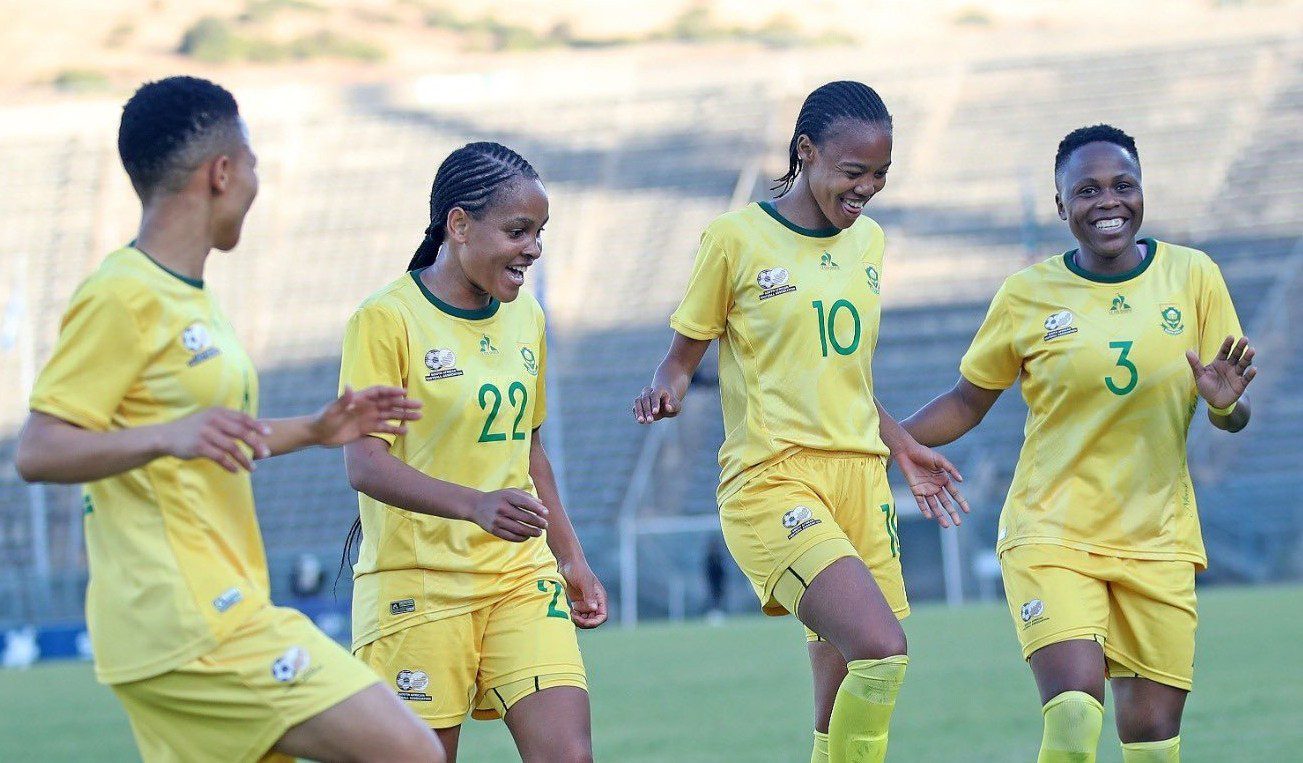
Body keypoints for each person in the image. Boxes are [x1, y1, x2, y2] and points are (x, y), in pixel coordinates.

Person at [14, 76, 443, 763]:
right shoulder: (123, 292)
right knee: (410, 753)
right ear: (221, 173)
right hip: (191, 620)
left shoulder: (196, 300)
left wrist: (312, 429)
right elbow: (38, 449)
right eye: (252, 166)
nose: (254, 183)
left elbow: (210, 435)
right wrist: (166, 434)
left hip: (203, 613)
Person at [632, 81, 968, 763]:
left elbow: (840, 379)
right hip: (771, 481)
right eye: (852, 172)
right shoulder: (736, 238)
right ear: (806, 153)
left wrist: (900, 443)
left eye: (879, 174)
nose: (866, 188)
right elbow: (680, 358)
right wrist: (666, 388)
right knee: (881, 650)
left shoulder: (868, 243)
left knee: (837, 704)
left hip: (861, 481)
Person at [900, 124, 1256, 763]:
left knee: (1153, 745)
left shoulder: (1194, 276)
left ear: (1142, 192)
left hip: (1158, 540)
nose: (1108, 202)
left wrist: (1225, 404)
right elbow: (965, 402)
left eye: (1124, 185)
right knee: (1073, 715)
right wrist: (885, 440)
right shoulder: (1026, 295)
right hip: (1051, 531)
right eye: (1086, 190)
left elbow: (1232, 416)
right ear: (1061, 206)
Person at [339, 141, 607, 763]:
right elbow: (365, 462)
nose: (533, 248)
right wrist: (475, 505)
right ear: (459, 226)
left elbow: (529, 447)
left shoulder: (527, 319)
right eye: (518, 231)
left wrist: (571, 558)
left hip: (519, 577)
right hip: (419, 586)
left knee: (569, 756)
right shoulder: (385, 320)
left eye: (539, 233)